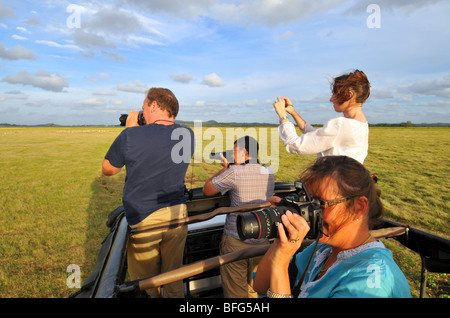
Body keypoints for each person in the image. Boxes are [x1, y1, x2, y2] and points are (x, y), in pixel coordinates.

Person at [253, 156, 411, 298]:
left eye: (320, 203)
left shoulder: (371, 281)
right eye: (306, 201)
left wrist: (281, 264)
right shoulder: (322, 250)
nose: (307, 212)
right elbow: (261, 287)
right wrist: (278, 242)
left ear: (358, 207)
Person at [102, 87, 194, 298]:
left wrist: (129, 130)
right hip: (177, 214)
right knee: (174, 274)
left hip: (145, 217)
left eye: (144, 107)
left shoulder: (131, 135)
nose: (143, 113)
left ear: (153, 105)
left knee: (146, 282)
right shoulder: (187, 134)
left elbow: (108, 169)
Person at [203, 136, 275, 298]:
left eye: (234, 151)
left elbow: (207, 190)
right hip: (261, 240)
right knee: (255, 289)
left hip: (236, 241)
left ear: (244, 152)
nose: (232, 154)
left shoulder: (234, 172)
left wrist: (225, 169)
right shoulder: (268, 170)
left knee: (236, 293)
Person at [273, 69, 371, 164]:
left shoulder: (341, 125)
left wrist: (283, 116)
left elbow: (295, 146)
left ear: (349, 95)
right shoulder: (361, 124)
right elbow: (318, 136)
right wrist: (293, 113)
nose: (331, 99)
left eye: (335, 94)